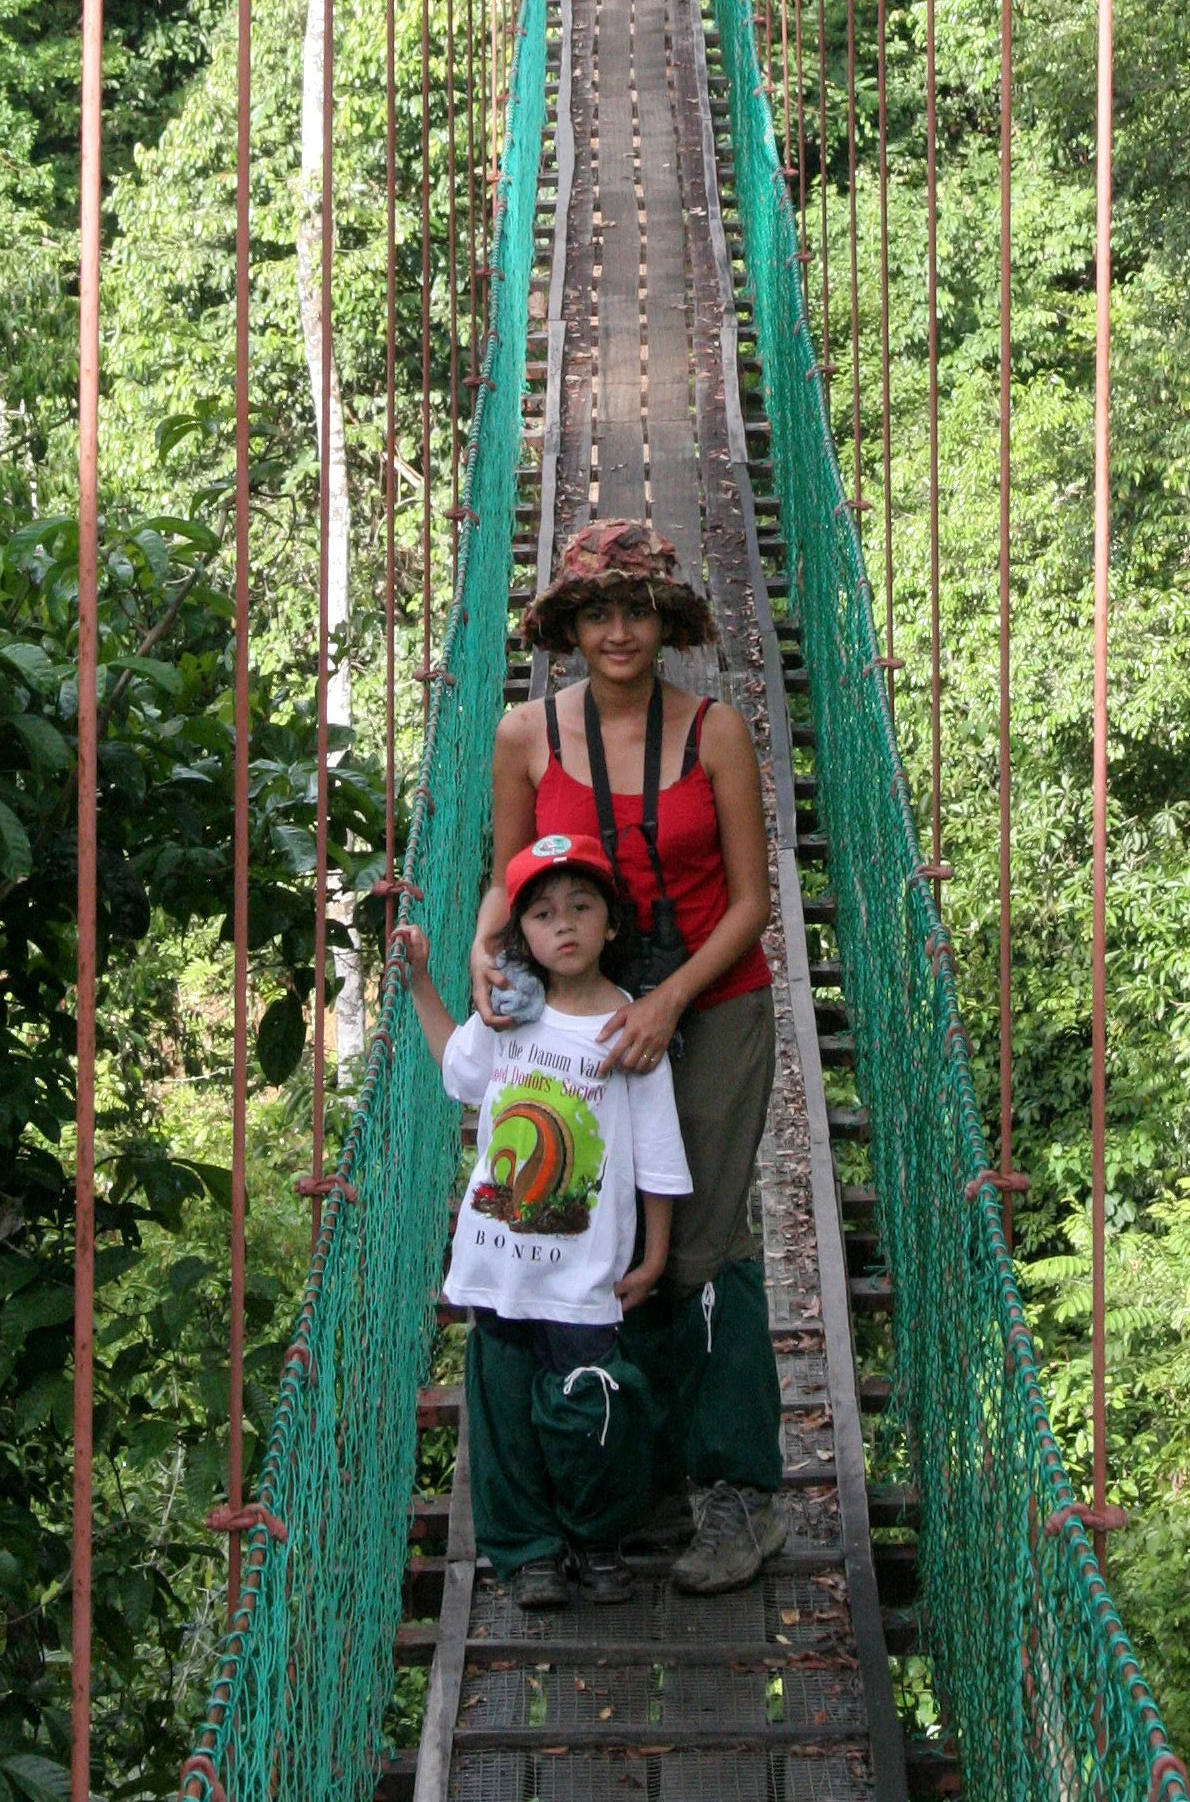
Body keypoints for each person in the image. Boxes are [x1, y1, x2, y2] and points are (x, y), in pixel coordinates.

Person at [470, 519, 785, 1593]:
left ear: (666, 623)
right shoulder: (524, 735)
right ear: (567, 627)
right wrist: (480, 951)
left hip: (712, 1006)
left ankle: (739, 1491)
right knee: (593, 1234)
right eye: (597, 612)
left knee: (700, 1242)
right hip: (578, 1017)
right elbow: (508, 878)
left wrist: (670, 999)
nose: (618, 632)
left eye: (637, 611)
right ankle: (634, 1474)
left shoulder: (714, 732)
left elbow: (751, 903)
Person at [402, 830, 691, 1610]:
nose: (562, 923)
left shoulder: (631, 1026)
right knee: (503, 1417)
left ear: (611, 922)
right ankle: (526, 1552)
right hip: (495, 1264)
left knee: (593, 1404)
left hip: (584, 1273)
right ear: (519, 936)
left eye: (580, 906)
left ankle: (594, 1538)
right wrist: (422, 980)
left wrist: (654, 1255)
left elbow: (659, 1153)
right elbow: (456, 1071)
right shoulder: (507, 1017)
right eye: (541, 912)